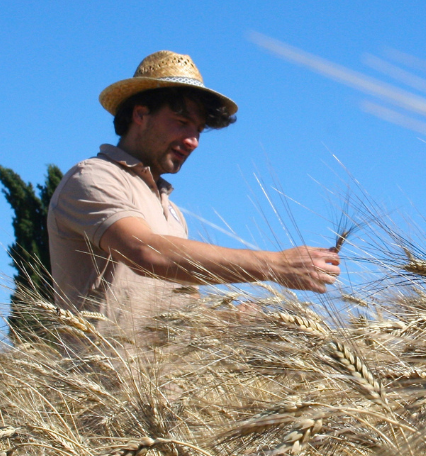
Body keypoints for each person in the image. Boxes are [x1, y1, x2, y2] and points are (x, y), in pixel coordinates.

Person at [47, 50, 339, 346]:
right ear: (140, 115)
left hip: (165, 391)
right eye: (181, 122)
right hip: (102, 389)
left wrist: (232, 321)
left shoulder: (172, 212)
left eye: (198, 130)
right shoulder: (93, 178)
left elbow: (180, 310)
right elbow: (146, 253)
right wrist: (276, 265)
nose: (193, 142)